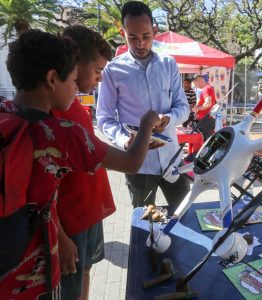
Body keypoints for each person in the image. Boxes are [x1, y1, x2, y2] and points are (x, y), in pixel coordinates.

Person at [0, 29, 160, 299]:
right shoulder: (61, 132)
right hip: (36, 266)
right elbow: (132, 163)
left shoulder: (5, 112)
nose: (76, 88)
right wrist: (146, 124)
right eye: (73, 80)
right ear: (52, 79)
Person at [97, 1, 190, 210]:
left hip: (172, 158)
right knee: (144, 224)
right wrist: (123, 141)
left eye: (146, 36)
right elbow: (104, 118)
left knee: (185, 213)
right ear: (123, 33)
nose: (140, 44)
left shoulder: (169, 64)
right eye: (133, 37)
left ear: (154, 31)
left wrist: (169, 119)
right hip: (138, 162)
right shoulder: (113, 70)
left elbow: (183, 107)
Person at [51, 25, 114, 300]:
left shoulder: (76, 106)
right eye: (98, 70)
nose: (100, 78)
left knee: (86, 271)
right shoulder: (53, 112)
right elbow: (43, 187)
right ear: (76, 64)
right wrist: (61, 237)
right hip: (69, 221)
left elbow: (91, 155)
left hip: (88, 213)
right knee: (69, 288)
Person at [192, 74, 216, 141]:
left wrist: (196, 108)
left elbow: (207, 104)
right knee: (205, 141)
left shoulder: (206, 89)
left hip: (205, 120)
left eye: (195, 83)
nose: (195, 86)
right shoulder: (208, 88)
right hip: (206, 120)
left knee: (205, 142)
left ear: (199, 80)